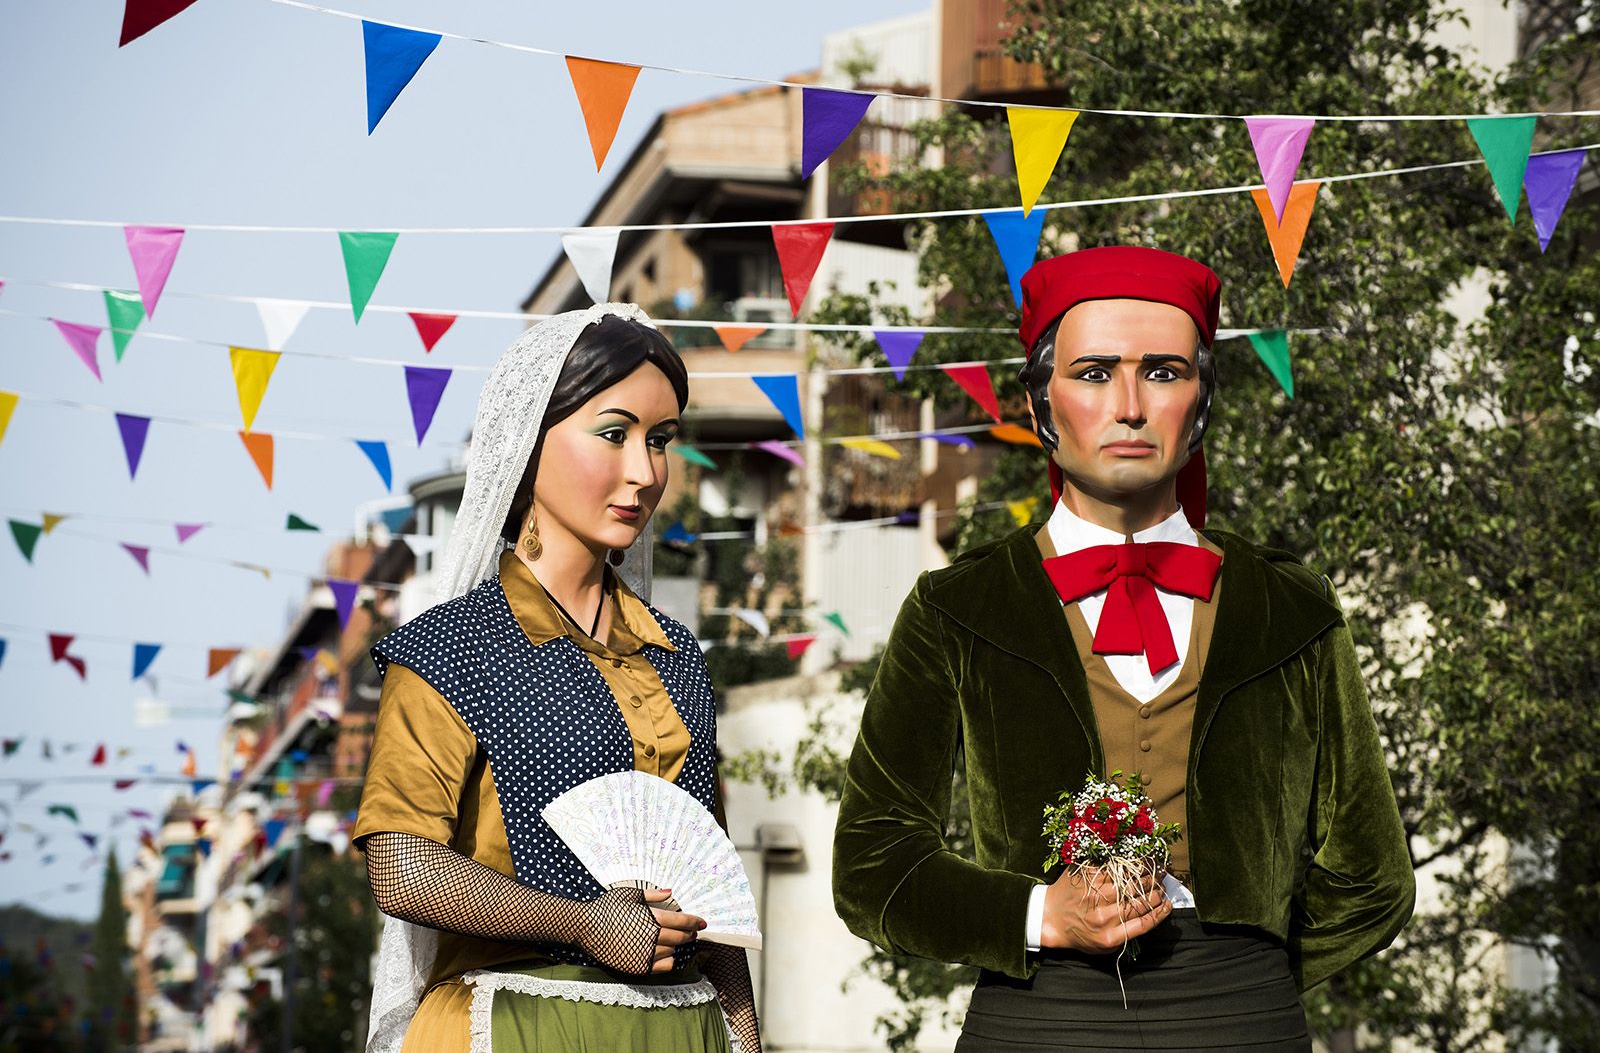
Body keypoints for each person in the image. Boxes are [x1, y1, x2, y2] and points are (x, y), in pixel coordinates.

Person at [831, 247, 1414, 1049]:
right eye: (1096, 372)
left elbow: (1374, 878)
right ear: (1040, 404)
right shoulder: (957, 609)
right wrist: (1039, 916)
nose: (1132, 405)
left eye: (1166, 371)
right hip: (1039, 1021)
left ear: (1202, 403)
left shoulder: (1291, 606)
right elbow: (873, 866)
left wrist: (1245, 969)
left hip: (1243, 1023)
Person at [353, 305, 761, 1053]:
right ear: (526, 446)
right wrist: (582, 922)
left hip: (683, 1027)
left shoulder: (675, 653)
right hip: (510, 1022)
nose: (644, 471)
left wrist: (745, 1038)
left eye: (660, 440)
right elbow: (401, 865)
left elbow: (710, 877)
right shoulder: (450, 646)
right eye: (613, 433)